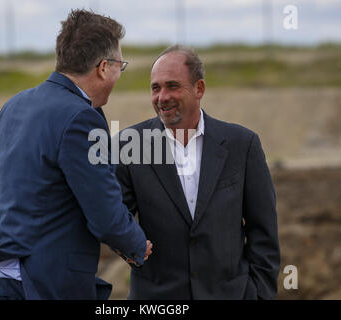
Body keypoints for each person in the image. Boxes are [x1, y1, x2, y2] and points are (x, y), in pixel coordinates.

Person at [0, 9, 152, 300]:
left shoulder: (16, 104)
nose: (118, 74)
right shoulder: (81, 118)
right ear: (103, 67)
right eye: (120, 66)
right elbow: (103, 211)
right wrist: (137, 244)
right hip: (45, 283)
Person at [115, 45, 280, 299]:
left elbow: (264, 231)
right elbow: (114, 217)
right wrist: (130, 247)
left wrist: (259, 294)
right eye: (155, 88)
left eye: (172, 86)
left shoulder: (242, 145)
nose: (162, 97)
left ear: (199, 88)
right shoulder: (129, 145)